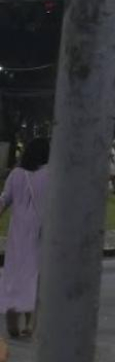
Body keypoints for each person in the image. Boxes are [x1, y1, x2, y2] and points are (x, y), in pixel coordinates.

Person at [1, 138, 48, 340]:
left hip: (18, 232)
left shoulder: (16, 174)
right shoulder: (51, 174)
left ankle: (12, 319)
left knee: (15, 274)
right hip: (41, 231)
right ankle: (31, 323)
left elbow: (4, 199)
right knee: (35, 276)